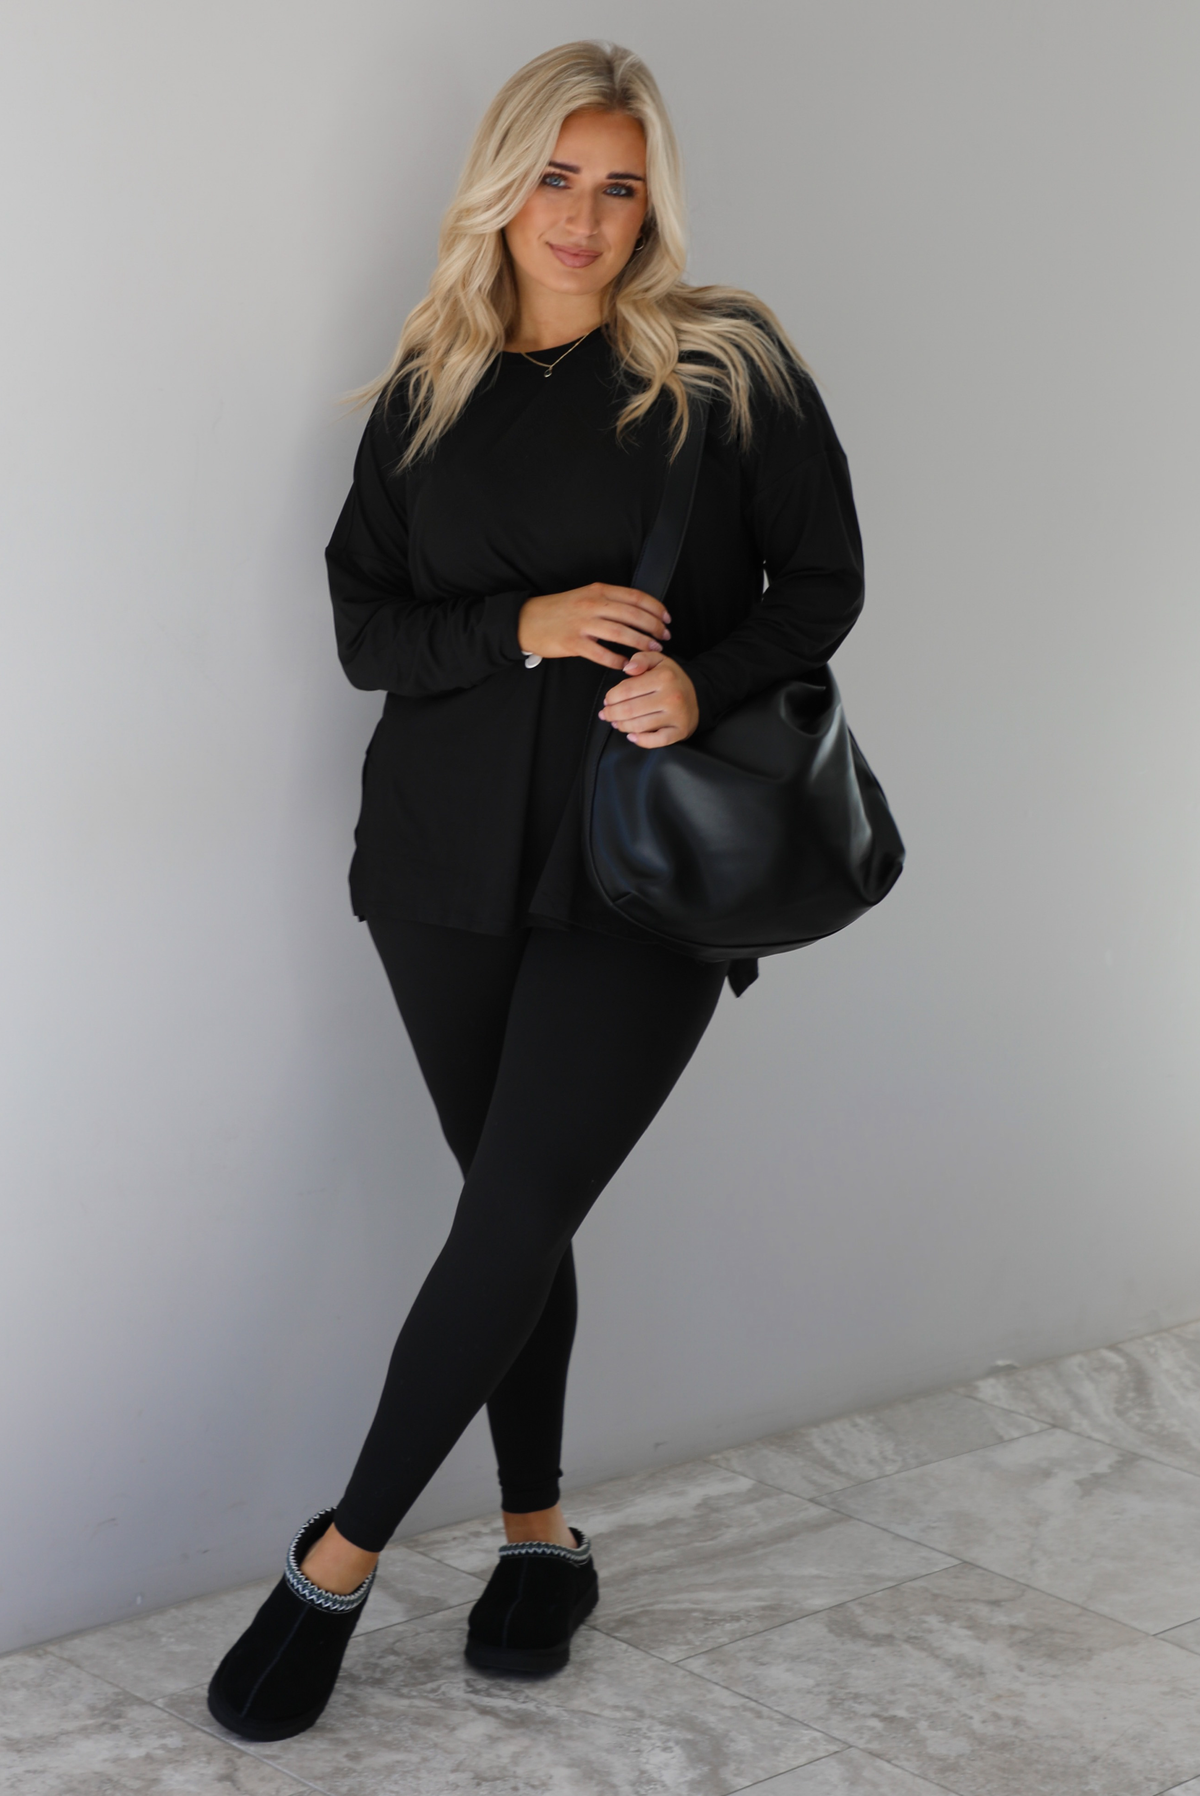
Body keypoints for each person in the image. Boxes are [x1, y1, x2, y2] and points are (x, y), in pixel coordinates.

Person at [207, 38, 864, 1742]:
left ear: (656, 200)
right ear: (503, 185)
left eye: (621, 183)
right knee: (521, 1209)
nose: (586, 217)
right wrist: (525, 624)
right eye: (558, 178)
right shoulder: (430, 381)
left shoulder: (725, 366)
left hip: (637, 874)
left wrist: (696, 685)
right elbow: (364, 629)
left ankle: (336, 1563)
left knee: (503, 1216)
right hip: (433, 868)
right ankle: (537, 1541)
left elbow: (828, 584)